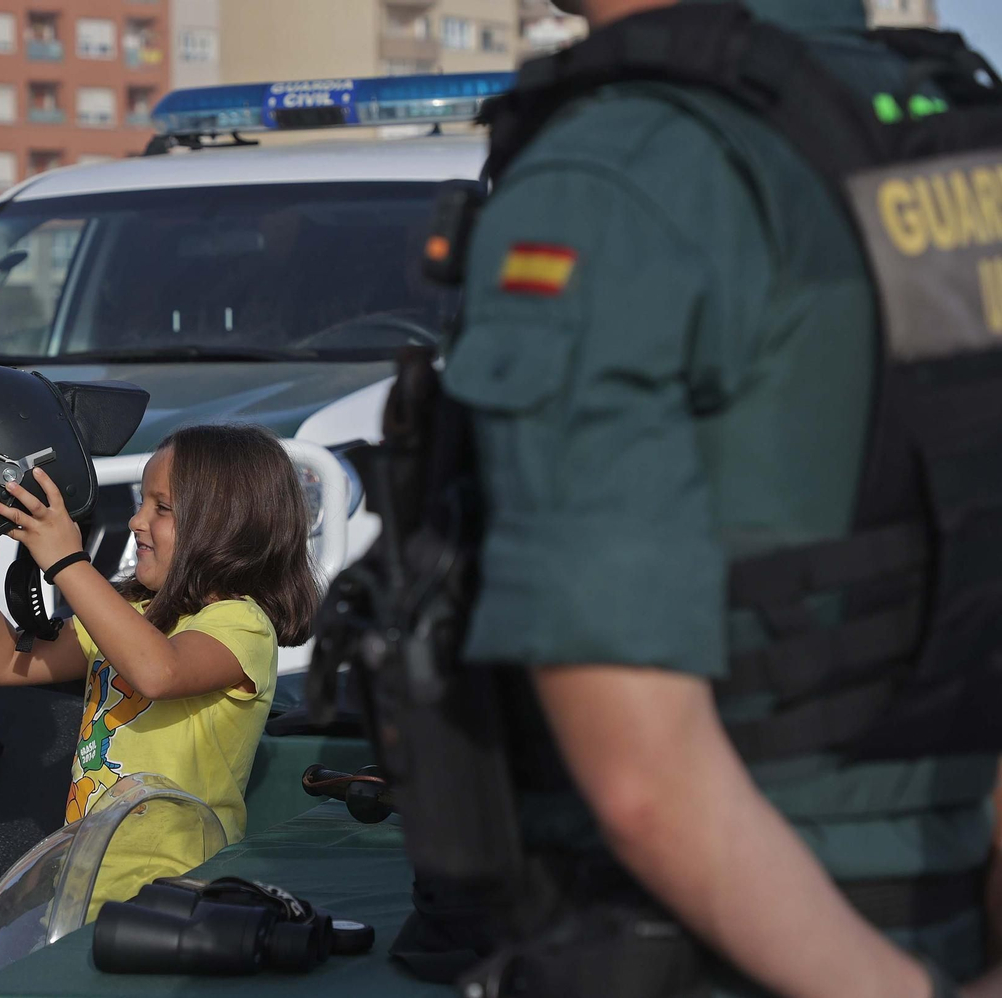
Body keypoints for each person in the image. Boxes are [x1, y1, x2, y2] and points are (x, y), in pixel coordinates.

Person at [426, 0, 1002, 996]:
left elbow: (644, 779)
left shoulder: (622, 169)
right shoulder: (951, 130)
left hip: (722, 939)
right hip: (941, 908)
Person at [0, 423, 319, 913]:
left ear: (226, 526)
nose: (135, 521)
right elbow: (2, 663)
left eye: (161, 508)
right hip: (85, 882)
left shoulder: (242, 624)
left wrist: (67, 560)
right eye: (141, 503)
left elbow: (159, 672)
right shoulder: (130, 614)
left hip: (177, 893)